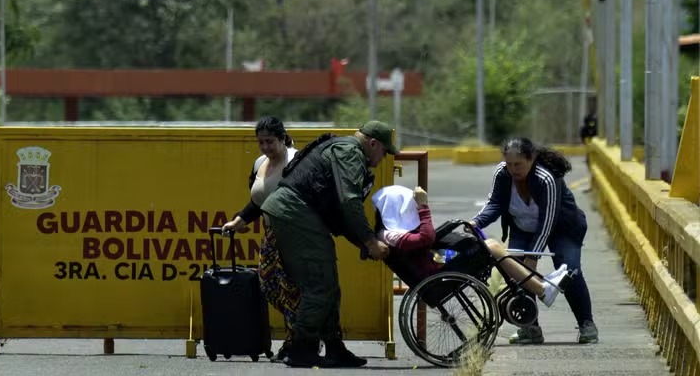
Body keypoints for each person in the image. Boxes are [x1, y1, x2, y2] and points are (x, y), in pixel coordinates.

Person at [260, 120, 395, 368]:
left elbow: (340, 216)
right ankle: (301, 348)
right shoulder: (350, 153)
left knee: (328, 283)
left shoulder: (343, 149)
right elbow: (350, 204)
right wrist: (369, 241)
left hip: (295, 214)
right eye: (385, 152)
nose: (384, 157)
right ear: (373, 143)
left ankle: (334, 348)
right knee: (320, 286)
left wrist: (366, 243)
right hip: (295, 213)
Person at [471, 138, 598, 345]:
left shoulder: (546, 178)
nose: (513, 169)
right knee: (516, 272)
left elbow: (548, 221)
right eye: (509, 164)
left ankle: (587, 324)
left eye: (518, 164)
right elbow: (495, 204)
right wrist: (475, 222)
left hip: (561, 228)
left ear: (531, 160)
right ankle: (530, 328)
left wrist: (533, 256)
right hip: (523, 227)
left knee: (570, 271)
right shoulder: (502, 174)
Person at [373, 184, 570, 307]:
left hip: (436, 275)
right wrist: (423, 208)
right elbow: (425, 239)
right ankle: (542, 291)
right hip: (435, 282)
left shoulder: (393, 229)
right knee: (491, 249)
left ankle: (539, 287)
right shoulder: (389, 234)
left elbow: (427, 239)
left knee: (490, 244)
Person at [221, 116, 300, 362]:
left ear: (282, 138)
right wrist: (239, 220)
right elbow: (258, 202)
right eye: (261, 142)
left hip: (297, 235)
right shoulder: (259, 163)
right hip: (270, 234)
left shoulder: (297, 161)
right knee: (269, 286)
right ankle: (298, 338)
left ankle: (296, 345)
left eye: (270, 142)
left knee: (293, 290)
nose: (266, 147)